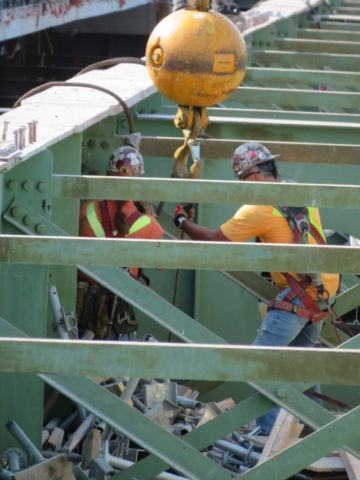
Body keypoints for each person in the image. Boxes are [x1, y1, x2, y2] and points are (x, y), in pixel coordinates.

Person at [172, 141, 340, 433]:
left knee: (259, 366)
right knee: (301, 365)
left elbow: (214, 240)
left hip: (301, 294)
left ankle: (268, 439)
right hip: (324, 287)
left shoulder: (258, 209)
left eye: (242, 181)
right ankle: (316, 430)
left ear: (253, 177)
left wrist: (181, 219)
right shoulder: (296, 190)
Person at [77, 146, 164, 340]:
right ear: (139, 181)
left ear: (108, 176)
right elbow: (162, 264)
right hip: (117, 317)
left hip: (82, 313)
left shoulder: (87, 209)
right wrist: (149, 217)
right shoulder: (148, 225)